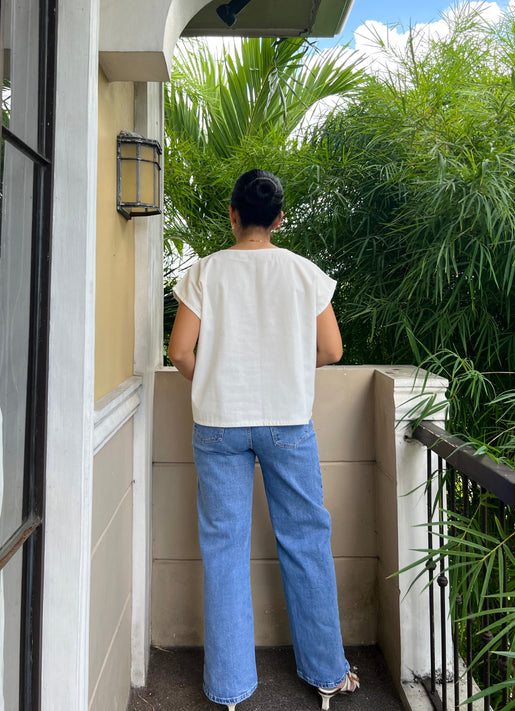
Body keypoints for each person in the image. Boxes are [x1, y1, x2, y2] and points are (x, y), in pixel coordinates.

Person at [168, 169, 359, 711]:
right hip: (288, 423)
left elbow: (181, 353)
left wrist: (214, 376)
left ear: (233, 215)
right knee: (306, 542)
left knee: (224, 551)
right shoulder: (305, 274)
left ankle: (228, 690)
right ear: (279, 218)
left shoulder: (204, 273)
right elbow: (331, 351)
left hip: (218, 423)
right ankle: (326, 674)